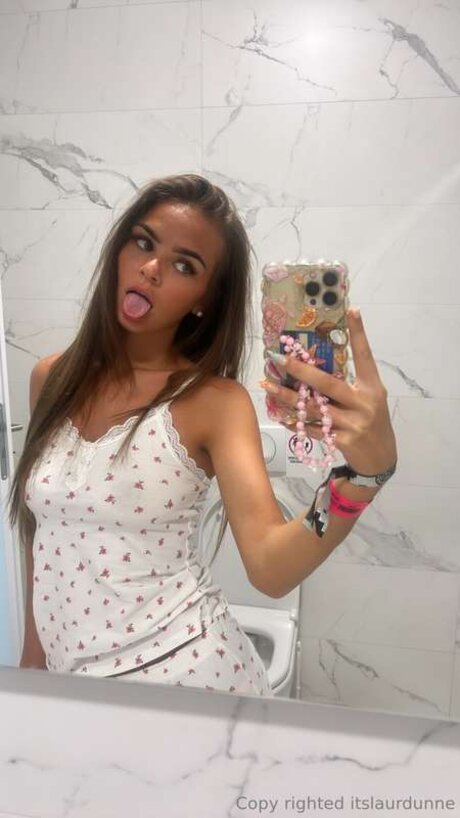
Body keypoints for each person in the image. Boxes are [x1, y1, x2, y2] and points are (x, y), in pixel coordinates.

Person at [8, 173, 397, 697]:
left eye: (184, 265)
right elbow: (39, 529)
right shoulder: (51, 378)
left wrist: (362, 478)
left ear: (203, 301)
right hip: (75, 682)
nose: (151, 268)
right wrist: (33, 657)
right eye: (143, 242)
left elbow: (271, 569)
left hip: (187, 677)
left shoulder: (213, 402)